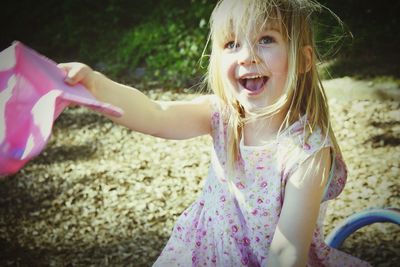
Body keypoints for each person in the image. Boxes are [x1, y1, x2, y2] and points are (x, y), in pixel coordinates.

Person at [59, 0, 372, 266]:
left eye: (266, 39)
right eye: (232, 44)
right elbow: (155, 114)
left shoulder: (307, 152)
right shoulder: (222, 116)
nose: (247, 55)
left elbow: (285, 253)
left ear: (302, 60)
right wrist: (95, 84)